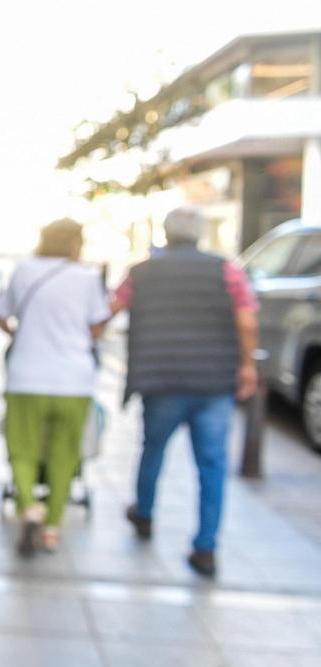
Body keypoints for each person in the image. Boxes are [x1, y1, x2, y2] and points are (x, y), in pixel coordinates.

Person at [111, 206, 259, 578]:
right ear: (200, 233)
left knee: (153, 449)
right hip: (213, 382)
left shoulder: (142, 272)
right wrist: (247, 364)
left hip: (162, 379)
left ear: (167, 232)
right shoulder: (225, 270)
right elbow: (246, 318)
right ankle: (205, 547)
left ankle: (144, 514)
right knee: (212, 465)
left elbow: (111, 307)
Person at [0, 218, 111, 556]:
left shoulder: (24, 271)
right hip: (74, 381)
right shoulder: (88, 278)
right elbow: (97, 326)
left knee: (23, 448)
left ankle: (30, 505)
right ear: (75, 243)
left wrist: (25, 336)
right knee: (65, 453)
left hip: (26, 377)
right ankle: (51, 528)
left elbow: (2, 318)